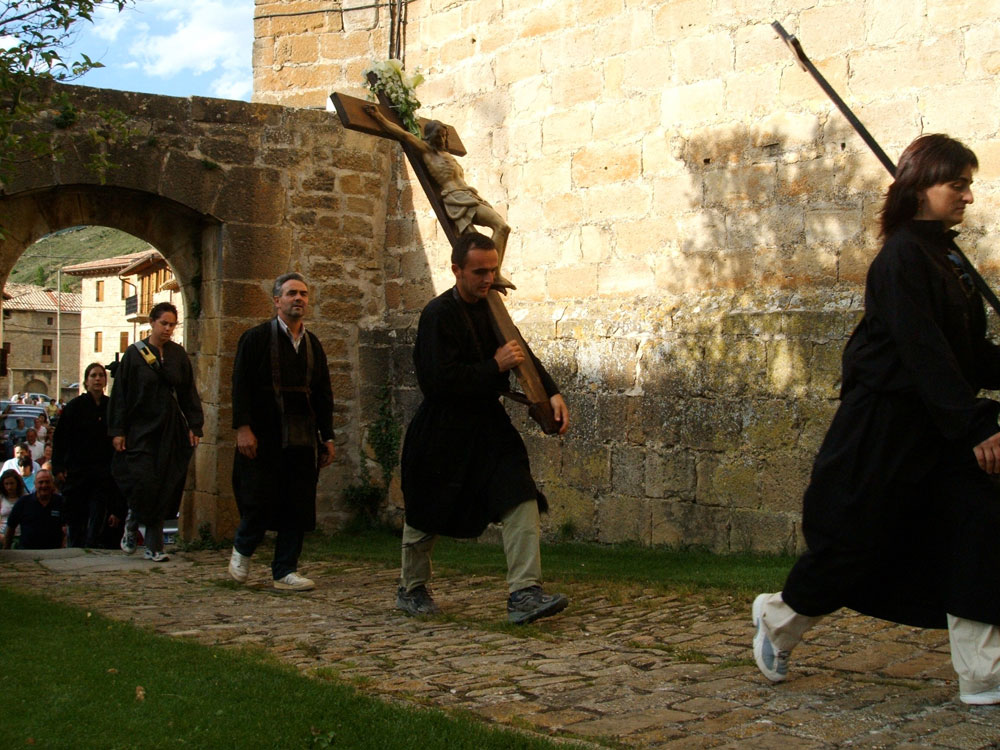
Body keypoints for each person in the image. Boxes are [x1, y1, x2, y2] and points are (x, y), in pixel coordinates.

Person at [752, 134, 1000, 706]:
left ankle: (982, 673)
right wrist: (977, 426)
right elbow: (922, 353)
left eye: (968, 184)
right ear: (920, 189)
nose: (968, 196)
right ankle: (779, 619)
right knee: (855, 544)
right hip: (884, 432)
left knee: (981, 526)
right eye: (956, 184)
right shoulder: (900, 260)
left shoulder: (947, 256)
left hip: (938, 424)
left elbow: (965, 352)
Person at [397, 232, 570, 624]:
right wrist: (493, 367)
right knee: (427, 509)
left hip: (488, 427)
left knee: (520, 493)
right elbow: (437, 383)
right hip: (443, 430)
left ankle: (525, 593)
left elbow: (520, 351)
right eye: (479, 271)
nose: (488, 278)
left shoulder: (493, 307)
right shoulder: (437, 315)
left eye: (492, 270)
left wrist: (553, 392)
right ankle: (411, 587)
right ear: (456, 270)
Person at [228, 273, 336, 591]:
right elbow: (240, 385)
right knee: (260, 496)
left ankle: (285, 570)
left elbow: (323, 393)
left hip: (302, 435)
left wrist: (326, 436)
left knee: (298, 502)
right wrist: (243, 428)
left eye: (303, 293)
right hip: (265, 431)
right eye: (291, 293)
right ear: (277, 300)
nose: (298, 299)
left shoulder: (313, 345)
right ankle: (243, 550)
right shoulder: (255, 338)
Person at [365, 105, 514, 289]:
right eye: (438, 135)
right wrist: (379, 117)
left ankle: (493, 273)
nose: (442, 138)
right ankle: (495, 274)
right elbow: (403, 135)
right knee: (500, 228)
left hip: (470, 196)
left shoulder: (448, 155)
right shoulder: (427, 151)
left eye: (444, 135)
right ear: (429, 136)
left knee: (501, 228)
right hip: (456, 199)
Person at [109, 302, 203, 563]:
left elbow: (187, 392)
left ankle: (154, 544)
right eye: (164, 323)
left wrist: (195, 425)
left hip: (169, 428)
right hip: (140, 429)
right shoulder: (134, 355)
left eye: (172, 324)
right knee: (144, 482)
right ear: (152, 322)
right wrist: (118, 430)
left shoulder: (177, 355)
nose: (168, 329)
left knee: (164, 484)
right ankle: (131, 523)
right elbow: (121, 395)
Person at [53, 363, 125, 549]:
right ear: (86, 381)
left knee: (97, 515)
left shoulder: (110, 407)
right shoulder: (74, 407)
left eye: (101, 375)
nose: (98, 379)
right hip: (78, 473)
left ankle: (91, 547)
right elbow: (60, 439)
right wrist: (59, 467)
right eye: (93, 375)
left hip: (102, 473)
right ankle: (75, 549)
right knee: (77, 518)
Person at [2, 469, 65, 549]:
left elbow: (67, 528)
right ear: (35, 484)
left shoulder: (60, 501)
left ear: (52, 484)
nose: (44, 485)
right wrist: (6, 549)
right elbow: (10, 527)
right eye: (41, 482)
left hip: (54, 552)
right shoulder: (23, 502)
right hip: (27, 552)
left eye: (47, 482)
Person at [0, 468, 26, 540]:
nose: (9, 487)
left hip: (20, 535)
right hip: (2, 535)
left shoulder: (24, 498)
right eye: (6, 484)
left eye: (12, 483)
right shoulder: (1, 498)